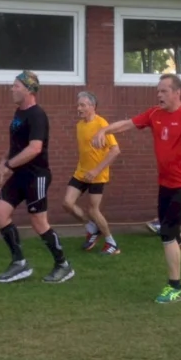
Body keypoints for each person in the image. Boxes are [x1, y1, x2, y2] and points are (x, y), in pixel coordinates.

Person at [94, 73, 181, 304]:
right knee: (169, 232)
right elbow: (128, 123)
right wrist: (105, 130)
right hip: (166, 183)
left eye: (164, 90)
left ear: (176, 92)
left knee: (168, 233)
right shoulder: (154, 113)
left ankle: (176, 287)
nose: (159, 94)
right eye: (158, 90)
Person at [0, 71, 74, 284]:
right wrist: (4, 160)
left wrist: (10, 164)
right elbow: (15, 146)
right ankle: (19, 263)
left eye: (16, 86)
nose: (12, 89)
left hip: (35, 176)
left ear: (28, 89)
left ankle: (63, 265)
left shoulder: (37, 115)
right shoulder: (18, 113)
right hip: (19, 174)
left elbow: (35, 148)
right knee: (0, 213)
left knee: (39, 222)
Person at [63, 91, 121, 255]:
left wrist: (96, 170)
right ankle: (91, 228)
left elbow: (115, 150)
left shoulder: (102, 124)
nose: (78, 108)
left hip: (97, 175)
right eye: (78, 105)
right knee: (67, 203)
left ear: (92, 106)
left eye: (82, 105)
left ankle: (111, 243)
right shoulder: (79, 125)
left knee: (93, 210)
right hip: (81, 172)